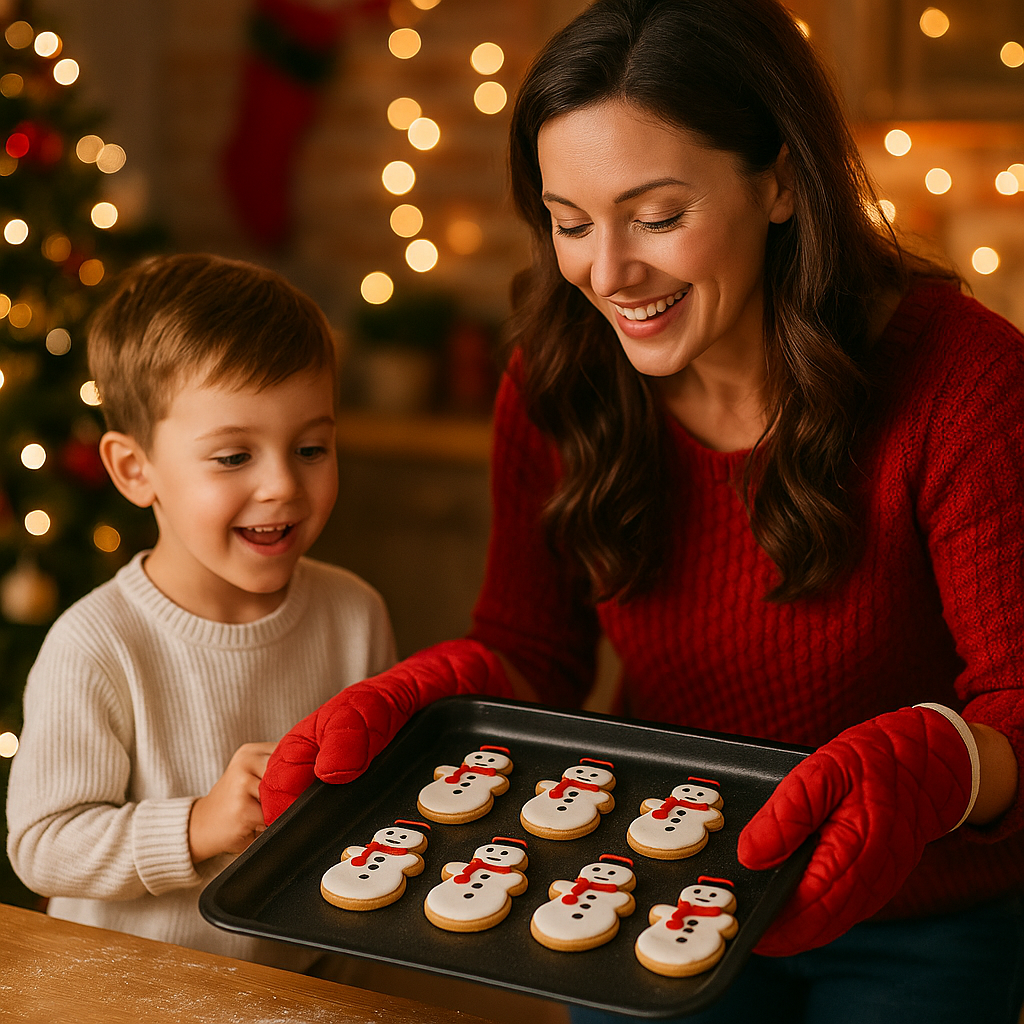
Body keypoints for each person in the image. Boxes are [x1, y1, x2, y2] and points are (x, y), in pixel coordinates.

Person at [260, 0, 1024, 1019]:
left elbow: (1017, 703)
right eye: (569, 224)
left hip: (922, 923)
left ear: (782, 182)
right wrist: (441, 697)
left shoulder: (965, 382)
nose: (607, 274)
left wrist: (940, 761)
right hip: (648, 887)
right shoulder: (556, 378)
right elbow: (536, 648)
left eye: (656, 217)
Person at [5, 253, 396, 970]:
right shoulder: (98, 644)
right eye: (232, 457)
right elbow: (41, 845)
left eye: (311, 447)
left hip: (299, 988)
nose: (282, 484)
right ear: (134, 469)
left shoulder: (354, 614)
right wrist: (195, 825)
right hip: (121, 998)